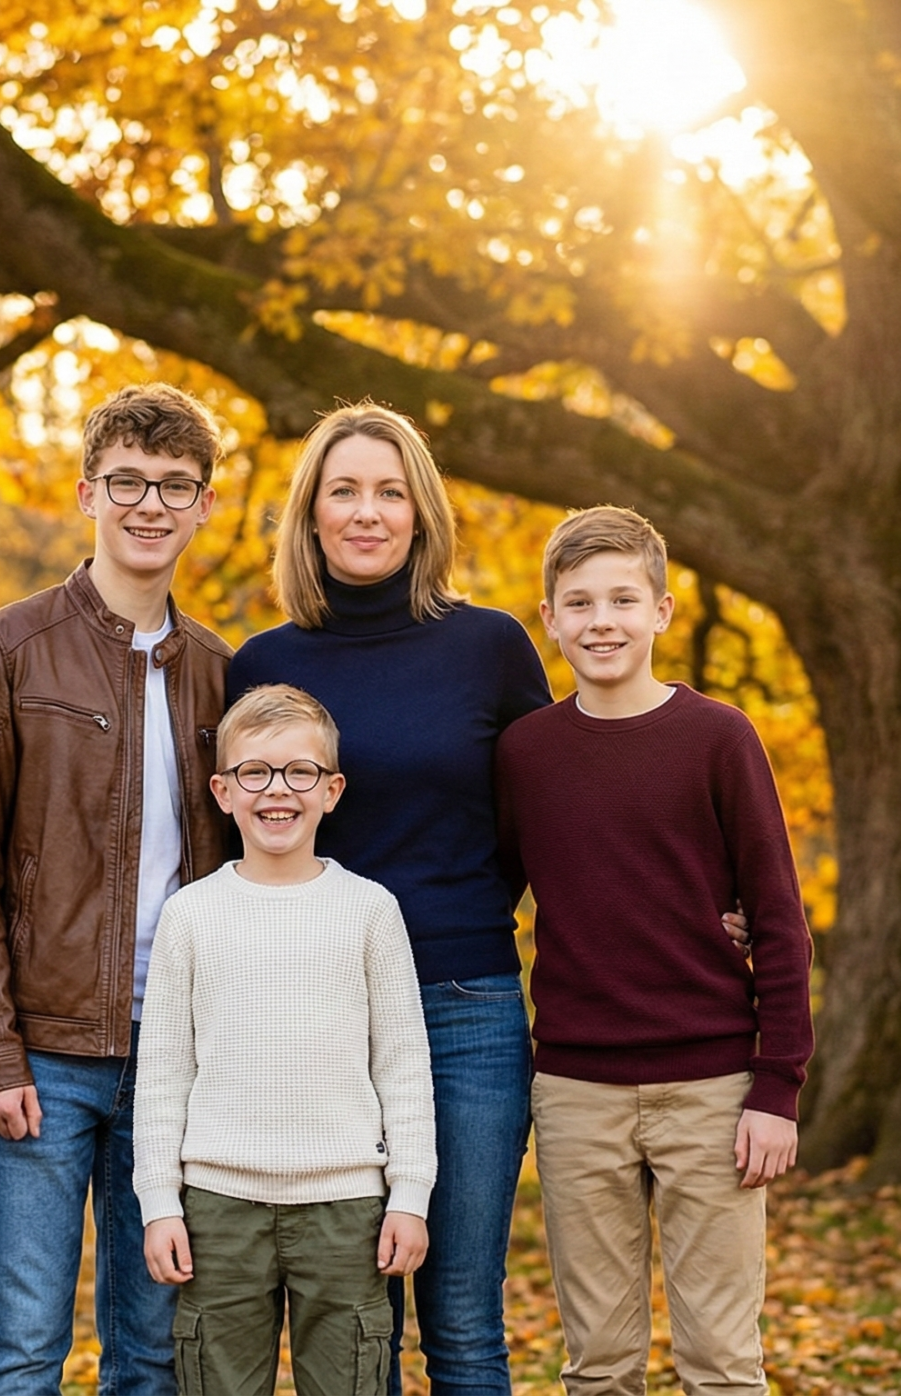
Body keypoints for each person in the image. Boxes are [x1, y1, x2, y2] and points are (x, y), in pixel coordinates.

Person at [222, 402, 549, 1396]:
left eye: (389, 491)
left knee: (460, 1314)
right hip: (317, 1025)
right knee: (352, 1320)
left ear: (421, 512)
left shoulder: (488, 647)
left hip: (466, 1007)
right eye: (344, 491)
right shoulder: (263, 666)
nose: (367, 513)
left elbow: (558, 815)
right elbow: (230, 844)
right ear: (311, 516)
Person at [0, 383, 236, 1396]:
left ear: (204, 506)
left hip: (176, 1064)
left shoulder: (225, 678)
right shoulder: (7, 649)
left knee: (150, 1354)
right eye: (128, 482)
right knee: (23, 1352)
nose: (150, 504)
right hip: (43, 1060)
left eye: (174, 486)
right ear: (86, 492)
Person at [496, 505, 815, 1396]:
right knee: (598, 1364)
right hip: (574, 1092)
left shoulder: (720, 738)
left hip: (711, 1091)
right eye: (581, 603)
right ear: (550, 618)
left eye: (624, 600)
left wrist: (776, 1089)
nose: (603, 620)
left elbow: (781, 922)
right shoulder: (525, 753)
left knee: (722, 1360)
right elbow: (495, 891)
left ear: (663, 612)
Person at [133, 683, 437, 1396]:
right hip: (216, 1206)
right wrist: (160, 1204)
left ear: (331, 790)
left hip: (347, 1210)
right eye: (254, 773)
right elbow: (163, 1075)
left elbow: (402, 1065)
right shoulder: (191, 916)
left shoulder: (369, 911)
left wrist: (410, 1195)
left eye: (300, 772)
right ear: (222, 790)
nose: (278, 791)